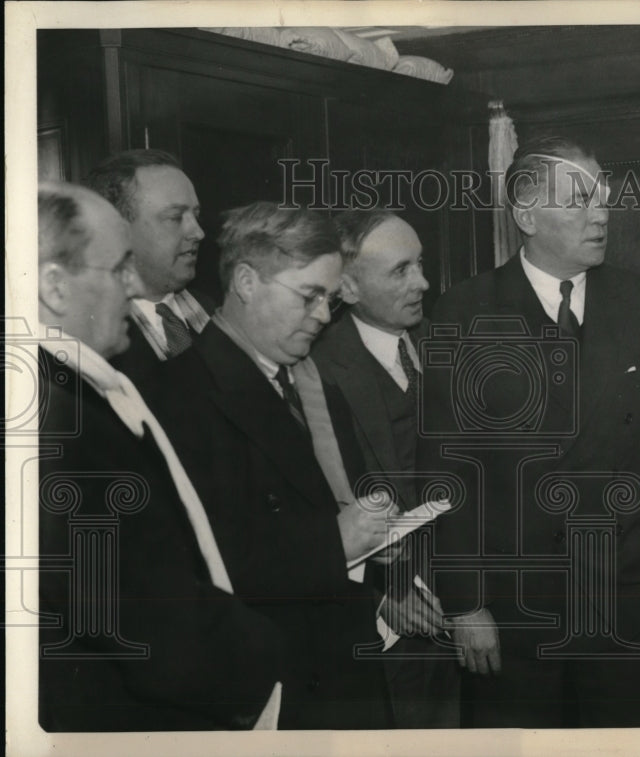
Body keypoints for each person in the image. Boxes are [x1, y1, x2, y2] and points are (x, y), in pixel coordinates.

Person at [419, 135, 640, 727]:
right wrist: (466, 603)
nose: (601, 212)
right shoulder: (465, 312)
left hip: (628, 595)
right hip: (514, 610)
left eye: (602, 196)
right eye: (579, 200)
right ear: (526, 215)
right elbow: (446, 472)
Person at [36, 182, 283, 730]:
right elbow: (150, 626)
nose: (135, 287)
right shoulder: (63, 427)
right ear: (54, 287)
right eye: (118, 268)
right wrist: (270, 656)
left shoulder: (63, 396)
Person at [141, 201, 398, 729]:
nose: (325, 315)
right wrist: (337, 544)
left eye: (329, 298)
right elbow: (197, 573)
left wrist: (374, 540)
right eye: (309, 296)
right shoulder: (177, 398)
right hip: (276, 690)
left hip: (341, 671)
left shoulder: (311, 384)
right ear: (246, 281)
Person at [310, 209, 460, 728]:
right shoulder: (314, 369)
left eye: (420, 264)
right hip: (381, 625)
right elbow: (312, 509)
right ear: (347, 286)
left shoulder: (445, 343)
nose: (423, 281)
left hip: (460, 606)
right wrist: (379, 593)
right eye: (400, 270)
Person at [84, 149, 210, 379]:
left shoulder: (216, 314)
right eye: (175, 218)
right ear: (118, 230)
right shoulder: (93, 342)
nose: (198, 232)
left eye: (196, 215)